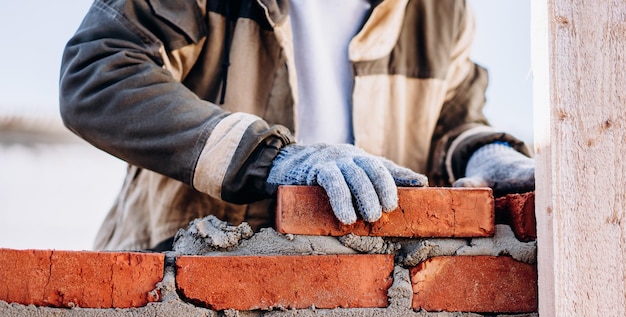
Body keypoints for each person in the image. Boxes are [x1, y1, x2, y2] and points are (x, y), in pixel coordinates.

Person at [59, 0, 534, 251]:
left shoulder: (438, 7)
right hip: (183, 302)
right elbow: (99, 73)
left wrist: (484, 154)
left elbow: (450, 116)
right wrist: (272, 158)